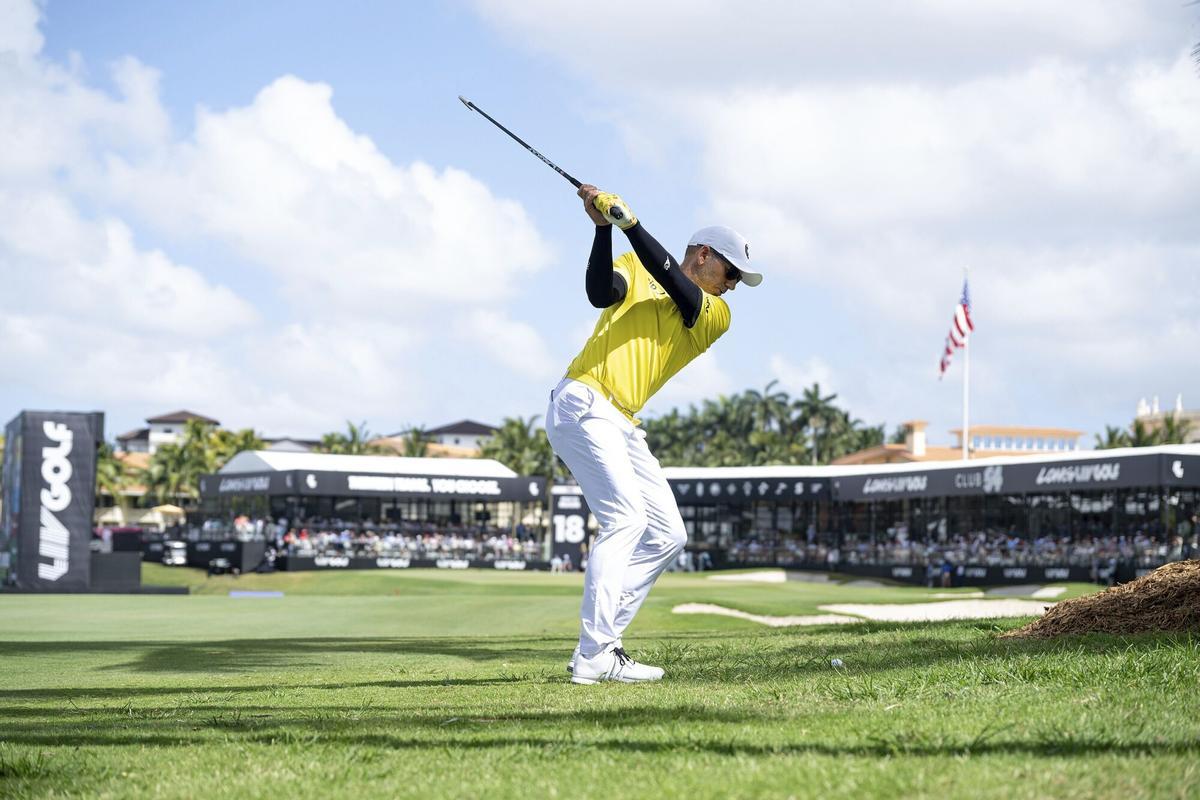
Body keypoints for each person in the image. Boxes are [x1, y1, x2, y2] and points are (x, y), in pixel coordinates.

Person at [547, 185, 762, 685]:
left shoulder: (715, 313)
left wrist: (629, 223)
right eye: (730, 273)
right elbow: (601, 293)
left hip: (621, 420)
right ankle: (597, 653)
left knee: (668, 534)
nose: (731, 285)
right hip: (585, 399)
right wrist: (604, 231)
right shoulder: (634, 262)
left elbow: (678, 288)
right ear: (704, 255)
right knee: (626, 521)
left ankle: (597, 648)